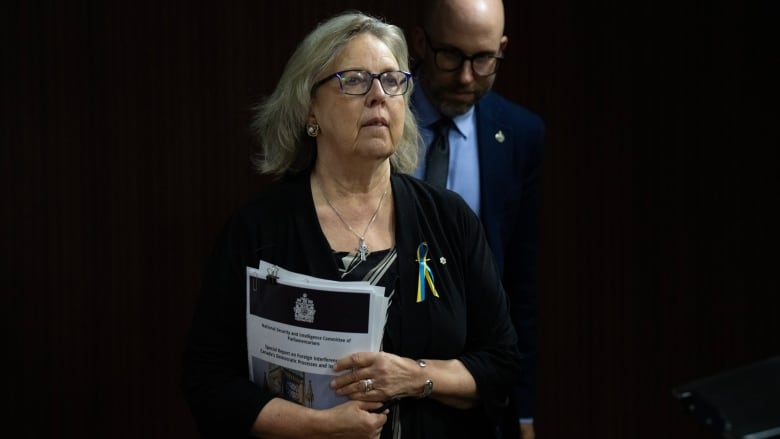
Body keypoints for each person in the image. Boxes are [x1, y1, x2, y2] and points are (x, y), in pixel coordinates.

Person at [181, 10, 522, 439]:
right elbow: (207, 380)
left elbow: (502, 365)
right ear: (310, 110)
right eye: (356, 81)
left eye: (392, 81)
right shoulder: (258, 231)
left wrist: (415, 376)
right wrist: (317, 427)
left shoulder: (450, 219)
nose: (379, 96)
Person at [407, 1, 545, 438]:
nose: (466, 76)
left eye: (484, 59)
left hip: (471, 385)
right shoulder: (379, 113)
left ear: (501, 48)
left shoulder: (521, 134)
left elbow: (520, 284)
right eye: (450, 55)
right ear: (420, 43)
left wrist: (522, 411)